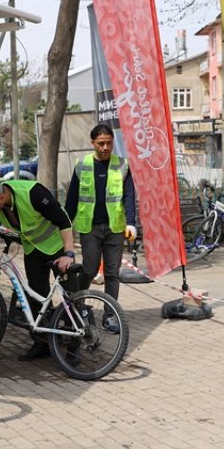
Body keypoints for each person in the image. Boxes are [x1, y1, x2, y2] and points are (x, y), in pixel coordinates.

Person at [0, 177, 77, 361]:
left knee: (71, 297)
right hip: (33, 250)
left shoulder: (33, 193)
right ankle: (43, 343)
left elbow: (63, 220)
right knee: (36, 296)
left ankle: (74, 348)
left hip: (56, 246)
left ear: (1, 197)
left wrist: (68, 254)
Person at [64, 124, 138, 334]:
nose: (105, 147)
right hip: (90, 228)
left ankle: (109, 315)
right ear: (92, 143)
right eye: (101, 143)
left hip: (115, 228)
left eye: (108, 143)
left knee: (112, 273)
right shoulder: (82, 165)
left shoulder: (122, 165)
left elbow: (129, 196)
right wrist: (64, 225)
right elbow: (72, 199)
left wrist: (131, 222)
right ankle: (79, 305)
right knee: (89, 269)